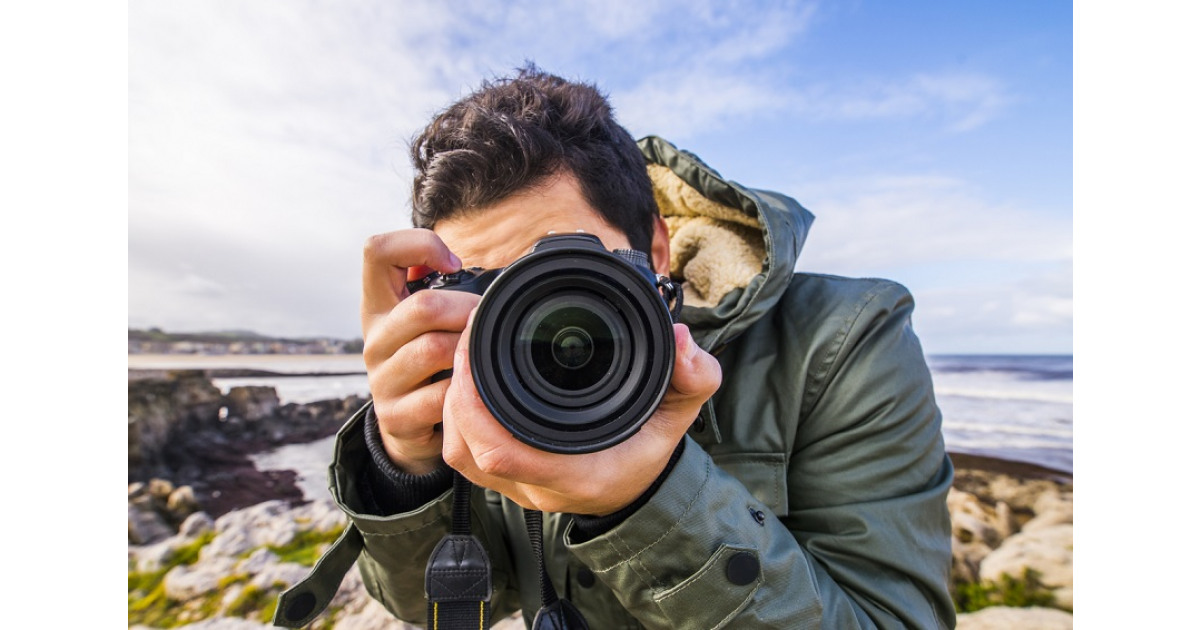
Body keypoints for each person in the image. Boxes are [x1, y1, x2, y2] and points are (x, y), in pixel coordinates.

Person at [277, 66, 956, 629]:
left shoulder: (841, 337)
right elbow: (443, 608)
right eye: (491, 288)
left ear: (658, 248)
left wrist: (647, 499)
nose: (529, 318)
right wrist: (406, 465)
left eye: (568, 270)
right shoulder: (475, 369)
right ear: (445, 288)